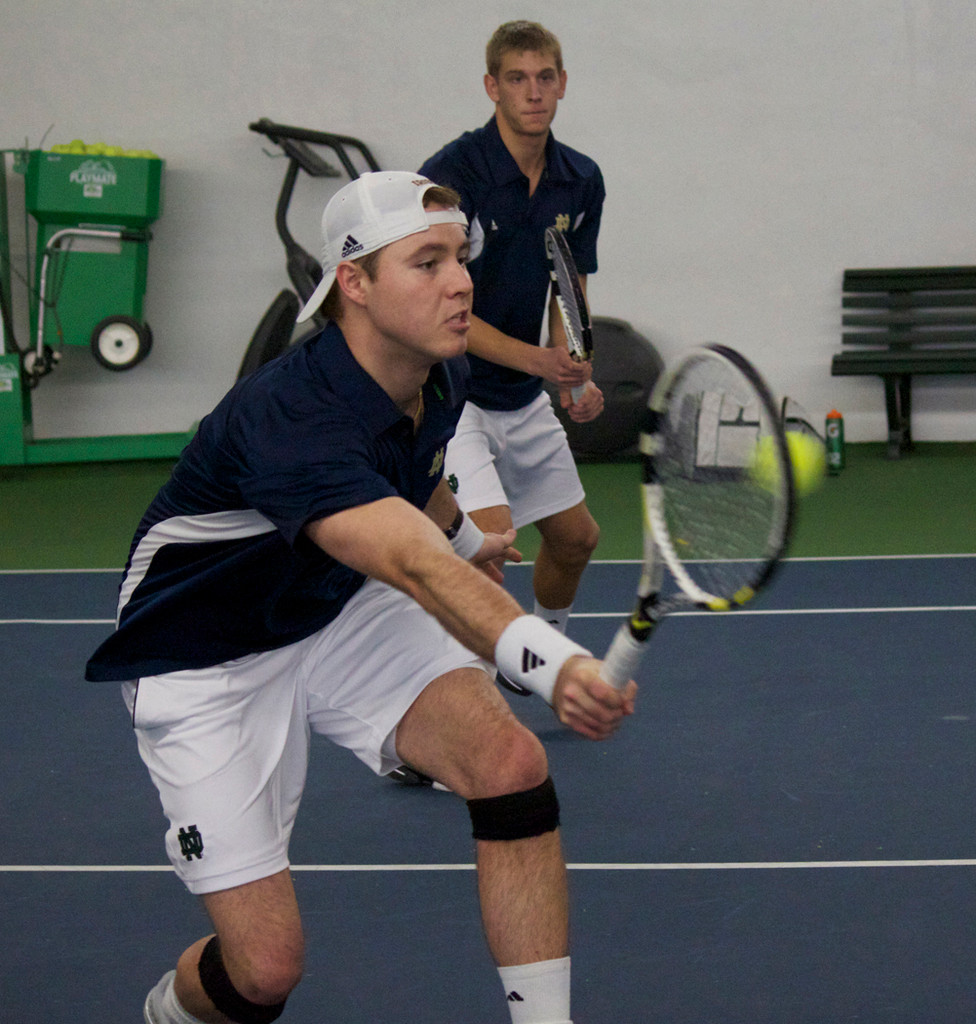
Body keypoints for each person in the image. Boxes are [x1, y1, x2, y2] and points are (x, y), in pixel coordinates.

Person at [85, 171, 637, 1024]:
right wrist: (552, 658)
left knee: (511, 766)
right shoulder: (289, 417)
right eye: (426, 262)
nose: (460, 281)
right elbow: (411, 566)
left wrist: (468, 539)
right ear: (354, 283)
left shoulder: (435, 373)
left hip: (332, 607)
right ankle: (170, 1013)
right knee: (264, 973)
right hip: (204, 654)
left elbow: (418, 487)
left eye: (460, 256)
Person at [419, 20, 606, 695]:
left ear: (562, 84)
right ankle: (451, 709)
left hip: (522, 396)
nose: (534, 92)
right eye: (518, 79)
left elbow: (568, 278)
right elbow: (441, 312)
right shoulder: (450, 178)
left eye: (545, 77)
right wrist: (540, 362)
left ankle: (540, 650)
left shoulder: (579, 180)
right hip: (453, 395)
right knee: (486, 555)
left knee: (576, 539)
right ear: (492, 87)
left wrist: (574, 363)